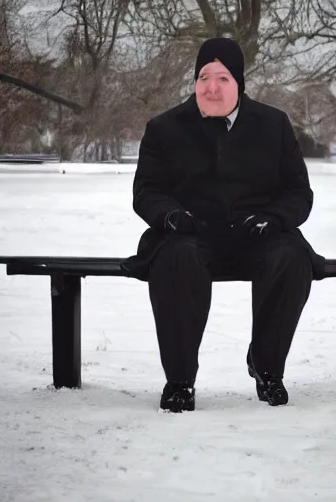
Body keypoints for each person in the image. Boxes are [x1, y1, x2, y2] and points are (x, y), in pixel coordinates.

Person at [127, 37, 325, 413]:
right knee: (175, 259)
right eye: (203, 77)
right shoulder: (164, 128)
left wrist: (275, 219)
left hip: (256, 236)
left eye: (222, 78)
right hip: (189, 236)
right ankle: (180, 381)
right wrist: (171, 217)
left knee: (291, 257)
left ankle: (267, 367)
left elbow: (298, 192)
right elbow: (147, 191)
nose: (211, 87)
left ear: (239, 83)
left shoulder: (273, 125)